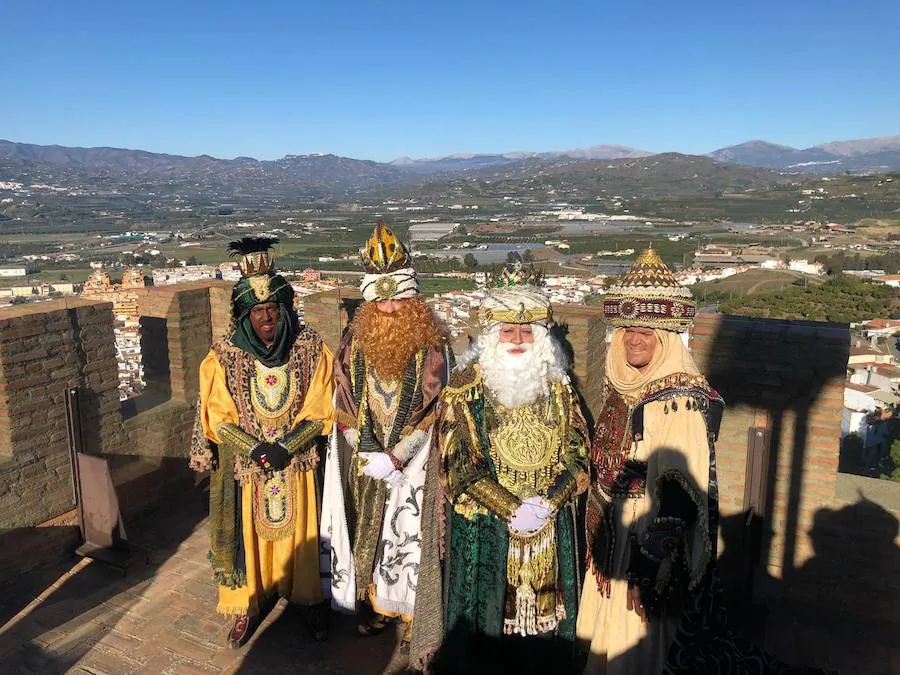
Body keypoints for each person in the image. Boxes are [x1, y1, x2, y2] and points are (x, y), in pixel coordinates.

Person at [434, 262, 589, 674]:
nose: (517, 339)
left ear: (540, 337)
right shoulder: (465, 388)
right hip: (487, 528)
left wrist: (550, 501)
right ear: (491, 334)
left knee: (541, 648)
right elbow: (457, 465)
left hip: (549, 529)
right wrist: (511, 509)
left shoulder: (559, 387)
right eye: (508, 330)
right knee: (485, 640)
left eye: (526, 331)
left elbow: (579, 453)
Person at [189, 237, 335, 648]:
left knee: (301, 536)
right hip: (247, 468)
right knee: (246, 539)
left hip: (297, 464)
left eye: (273, 309)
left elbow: (320, 406)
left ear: (285, 308)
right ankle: (246, 605)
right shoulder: (224, 357)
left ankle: (305, 599)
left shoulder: (310, 349)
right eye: (258, 311)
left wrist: (287, 445)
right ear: (245, 315)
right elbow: (218, 417)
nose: (267, 318)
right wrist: (255, 448)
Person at [320, 223, 451, 663]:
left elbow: (434, 407)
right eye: (382, 299)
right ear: (370, 299)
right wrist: (366, 449)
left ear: (412, 299)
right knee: (370, 532)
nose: (391, 308)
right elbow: (344, 399)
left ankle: (413, 615)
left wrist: (398, 455)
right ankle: (379, 603)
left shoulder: (431, 343)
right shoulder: (353, 341)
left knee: (410, 534)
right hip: (368, 457)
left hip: (414, 459)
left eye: (398, 298)